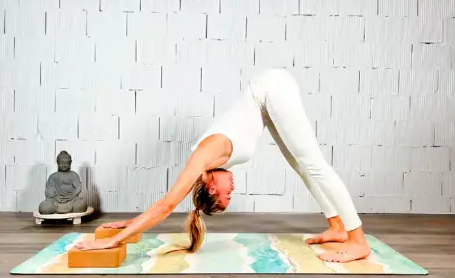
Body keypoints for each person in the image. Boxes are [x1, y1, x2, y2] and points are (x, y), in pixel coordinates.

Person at [75, 68, 371, 263]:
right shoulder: (205, 167)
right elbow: (166, 203)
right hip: (268, 99)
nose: (233, 190)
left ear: (211, 186)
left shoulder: (204, 157)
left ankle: (358, 240)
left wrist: (112, 241)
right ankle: (337, 227)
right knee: (302, 167)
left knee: (314, 164)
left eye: (227, 195)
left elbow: (166, 206)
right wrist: (129, 223)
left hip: (270, 89)